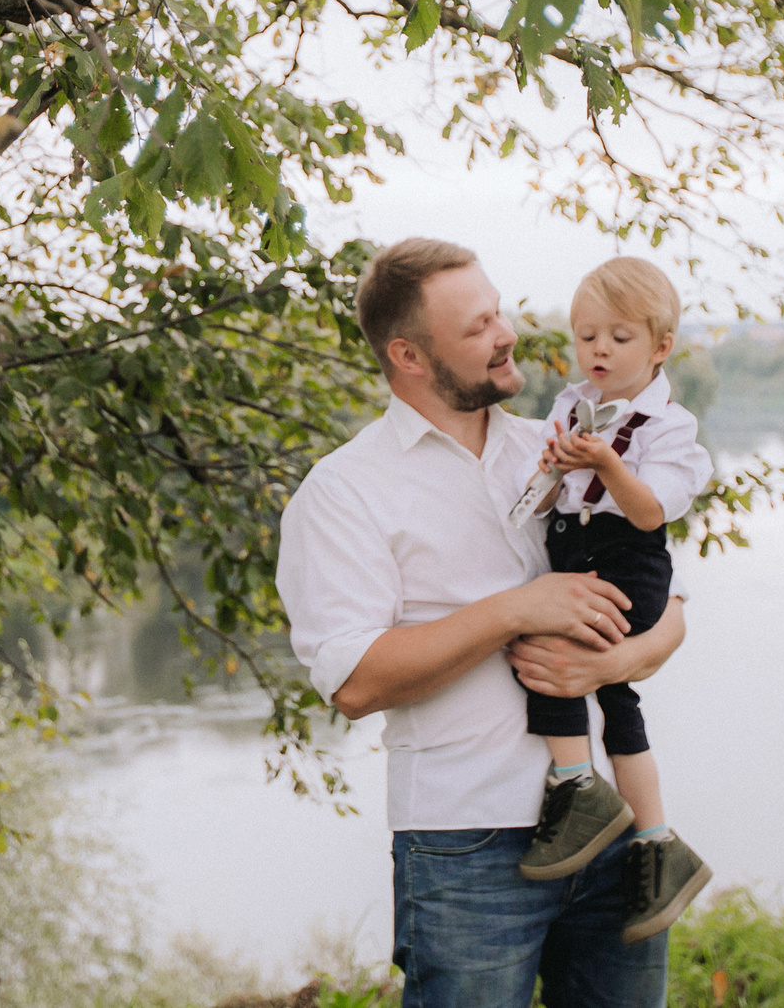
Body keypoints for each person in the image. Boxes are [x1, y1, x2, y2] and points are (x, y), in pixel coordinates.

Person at [275, 238, 690, 1008]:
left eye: (499, 311)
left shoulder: (558, 446)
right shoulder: (342, 492)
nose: (507, 333)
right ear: (408, 353)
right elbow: (356, 680)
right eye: (478, 325)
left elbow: (669, 613)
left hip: (617, 829)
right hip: (467, 844)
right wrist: (513, 611)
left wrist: (606, 665)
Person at [513, 258, 714, 944]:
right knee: (619, 699)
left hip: (627, 556)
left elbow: (652, 511)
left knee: (553, 652)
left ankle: (577, 786)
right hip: (575, 544)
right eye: (587, 334)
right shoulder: (570, 403)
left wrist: (606, 463)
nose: (599, 349)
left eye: (619, 337)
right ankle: (656, 842)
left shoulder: (669, 424)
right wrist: (548, 471)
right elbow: (547, 498)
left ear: (660, 346)